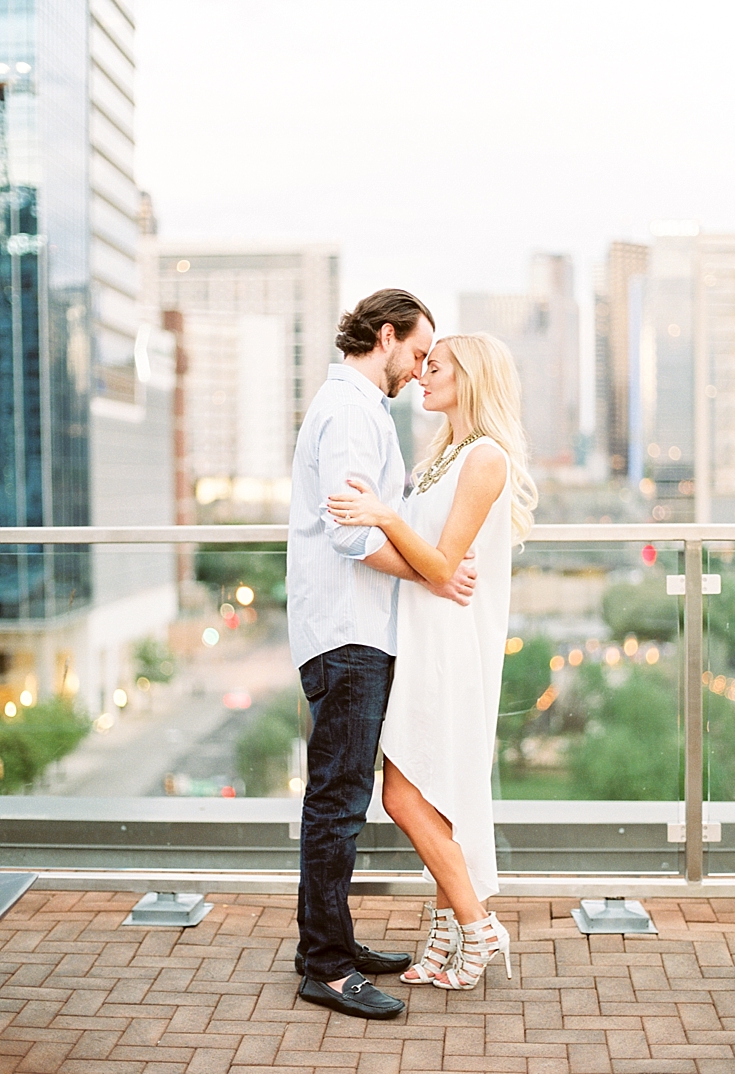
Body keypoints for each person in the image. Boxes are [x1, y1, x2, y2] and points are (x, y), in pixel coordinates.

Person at [287, 289, 478, 1020]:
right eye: (420, 353)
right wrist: (435, 572)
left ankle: (327, 944)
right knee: (337, 802)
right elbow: (352, 536)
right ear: (388, 337)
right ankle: (328, 969)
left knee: (342, 799)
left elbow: (374, 524)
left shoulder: (364, 411)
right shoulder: (347, 413)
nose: (421, 368)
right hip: (347, 634)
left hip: (359, 631)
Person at [328, 333, 537, 990]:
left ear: (470, 378)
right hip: (421, 636)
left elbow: (443, 565)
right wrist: (391, 514)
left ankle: (476, 923)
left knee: (403, 792)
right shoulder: (443, 456)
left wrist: (383, 515)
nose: (422, 375)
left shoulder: (484, 459)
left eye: (435, 366)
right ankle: (447, 931)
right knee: (431, 794)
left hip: (450, 644)